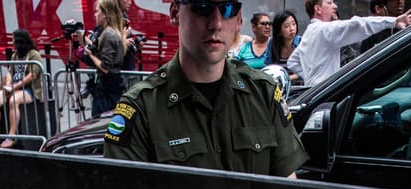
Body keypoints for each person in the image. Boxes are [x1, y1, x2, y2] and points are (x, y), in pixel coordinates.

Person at [103, 0, 307, 177]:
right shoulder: (141, 109)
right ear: (175, 13)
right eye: (202, 7)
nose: (216, 23)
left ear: (238, 20)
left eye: (227, 8)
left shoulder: (264, 93)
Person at [286, 0, 411, 88]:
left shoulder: (309, 32)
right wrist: (393, 21)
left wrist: (311, 80)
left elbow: (292, 62)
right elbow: (356, 24)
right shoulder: (324, 29)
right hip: (325, 94)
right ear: (318, 9)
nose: (335, 6)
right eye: (330, 2)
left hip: (314, 92)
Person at [0, 29, 44, 147]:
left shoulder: (34, 54)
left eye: (13, 39)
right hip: (13, 87)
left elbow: (33, 75)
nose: (12, 42)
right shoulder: (15, 55)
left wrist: (15, 87)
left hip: (29, 89)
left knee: (14, 100)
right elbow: (10, 72)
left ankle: (11, 136)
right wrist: (8, 85)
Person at [84, 0, 127, 117]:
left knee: (102, 121)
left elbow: (105, 67)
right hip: (112, 86)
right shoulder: (110, 32)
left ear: (105, 14)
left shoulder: (108, 34)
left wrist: (91, 55)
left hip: (108, 88)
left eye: (97, 11)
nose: (95, 14)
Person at [262, 10, 301, 82]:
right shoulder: (272, 43)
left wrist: (286, 79)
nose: (292, 28)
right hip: (278, 87)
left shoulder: (300, 43)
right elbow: (268, 67)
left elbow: (306, 71)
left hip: (300, 87)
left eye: (294, 24)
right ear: (279, 31)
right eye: (287, 26)